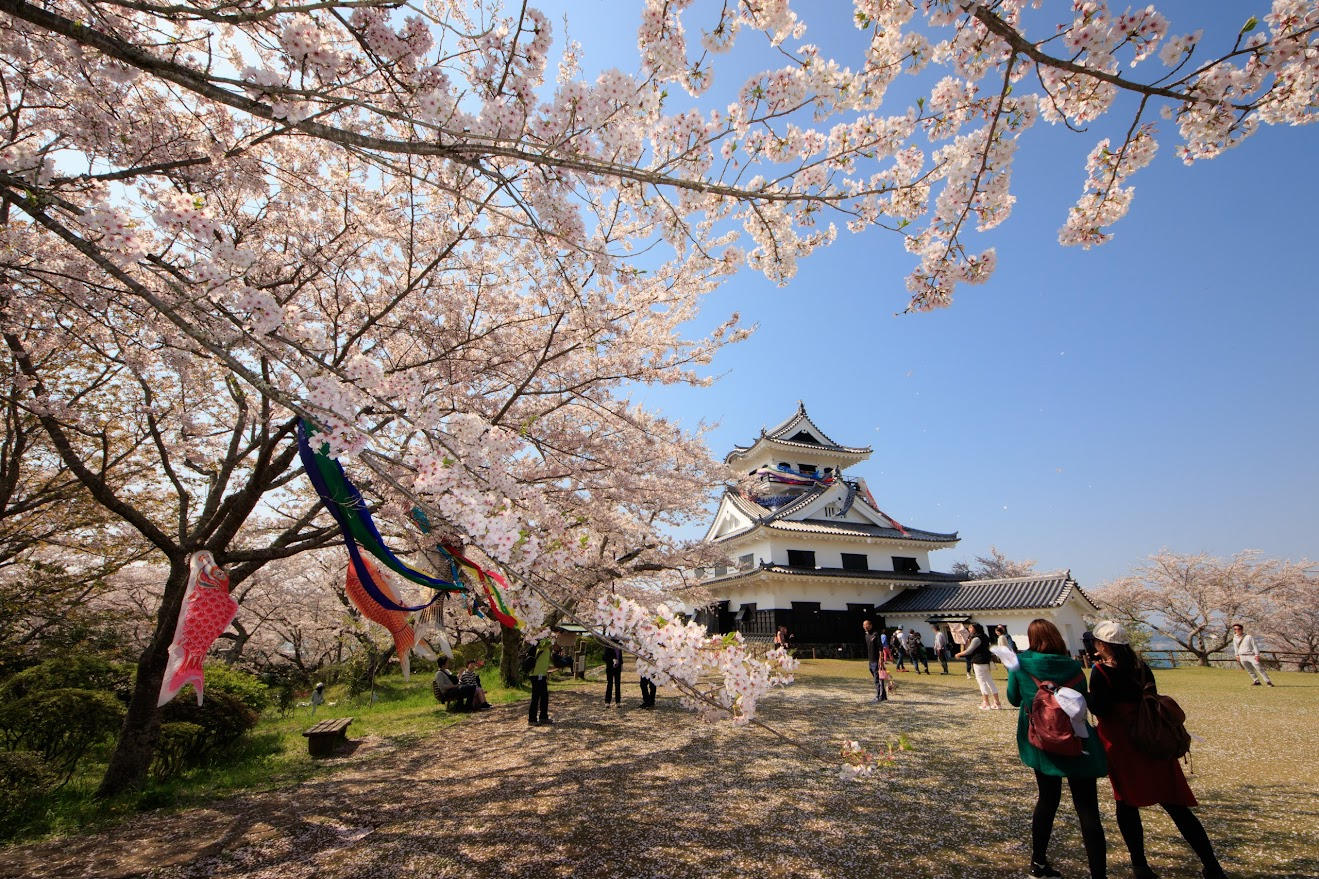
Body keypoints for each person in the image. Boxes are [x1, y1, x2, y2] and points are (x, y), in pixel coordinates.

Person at [1088, 620, 1226, 879]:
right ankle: (1212, 865)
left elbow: (1100, 708)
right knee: (1175, 805)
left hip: (1122, 743)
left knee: (1127, 803)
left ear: (1104, 645)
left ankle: (1140, 865)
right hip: (1151, 738)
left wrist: (1084, 697)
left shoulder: (1101, 671)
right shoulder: (1141, 667)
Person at [1007, 619, 1108, 879]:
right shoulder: (1073, 666)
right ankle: (1099, 873)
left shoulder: (1020, 665)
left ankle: (1038, 863)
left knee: (1047, 800)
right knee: (1087, 809)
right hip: (1076, 740)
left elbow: (1013, 698)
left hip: (1041, 741)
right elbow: (1081, 699)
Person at [954, 622, 1002, 709]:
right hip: (986, 661)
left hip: (978, 662)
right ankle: (997, 703)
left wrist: (959, 654)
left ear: (975, 629)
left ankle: (986, 703)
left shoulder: (976, 638)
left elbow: (969, 651)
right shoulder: (985, 636)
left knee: (981, 682)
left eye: (971, 628)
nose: (969, 629)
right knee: (989, 681)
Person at [1231, 623, 1274, 687]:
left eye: (1238, 629)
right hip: (1242, 656)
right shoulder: (1234, 638)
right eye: (1235, 629)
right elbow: (1235, 647)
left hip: (1251, 655)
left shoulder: (1249, 637)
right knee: (1249, 670)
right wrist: (1237, 655)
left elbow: (1255, 645)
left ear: (1242, 629)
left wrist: (1257, 655)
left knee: (1259, 668)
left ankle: (1268, 681)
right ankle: (1256, 681)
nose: (1237, 630)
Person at [528, 638, 552, 725]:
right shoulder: (542, 643)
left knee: (544, 697)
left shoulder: (545, 646)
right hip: (536, 675)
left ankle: (543, 717)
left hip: (541, 674)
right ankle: (532, 719)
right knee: (536, 697)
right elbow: (548, 642)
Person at [863, 619, 887, 703]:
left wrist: (881, 659)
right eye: (864, 625)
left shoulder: (875, 634)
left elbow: (880, 647)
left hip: (877, 660)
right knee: (876, 677)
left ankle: (879, 696)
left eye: (866, 625)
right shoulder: (866, 635)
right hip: (871, 660)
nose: (865, 627)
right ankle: (883, 695)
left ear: (871, 625)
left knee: (878, 679)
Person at [602, 641, 623, 706]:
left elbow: (620, 656)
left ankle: (618, 701)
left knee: (617, 684)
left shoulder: (619, 644)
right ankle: (607, 701)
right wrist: (612, 660)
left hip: (618, 668)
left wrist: (621, 664)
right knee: (610, 684)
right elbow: (604, 657)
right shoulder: (608, 645)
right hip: (610, 668)